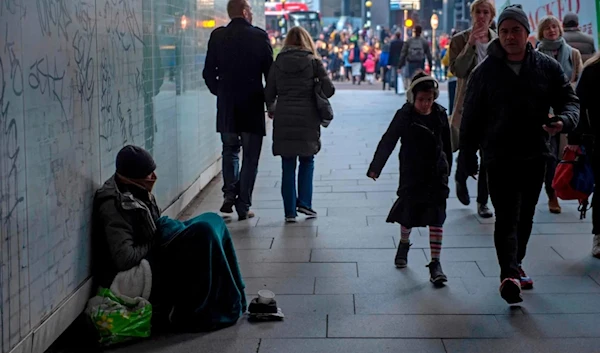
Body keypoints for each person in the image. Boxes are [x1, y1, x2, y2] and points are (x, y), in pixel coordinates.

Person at [457, 5, 579, 304]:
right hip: (498, 156)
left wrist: (563, 120)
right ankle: (508, 274)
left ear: (527, 33)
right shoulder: (484, 72)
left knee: (525, 217)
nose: (510, 36)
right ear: (499, 34)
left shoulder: (546, 67)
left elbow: (569, 100)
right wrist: (465, 161)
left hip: (535, 154)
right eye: (505, 31)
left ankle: (516, 263)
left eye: (516, 31)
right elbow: (470, 118)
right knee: (507, 216)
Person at [92, 145, 246, 332]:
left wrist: (162, 234)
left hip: (150, 254)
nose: (154, 177)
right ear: (132, 176)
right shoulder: (113, 205)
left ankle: (229, 298)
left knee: (212, 222)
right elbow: (124, 257)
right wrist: (157, 239)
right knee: (202, 234)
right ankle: (196, 312)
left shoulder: (137, 190)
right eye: (149, 174)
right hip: (131, 275)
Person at [367, 73, 452, 285]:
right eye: (421, 99)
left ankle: (435, 263)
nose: (425, 104)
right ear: (412, 98)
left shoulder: (440, 114)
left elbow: (447, 143)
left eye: (429, 100)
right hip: (412, 172)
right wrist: (376, 167)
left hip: (436, 172)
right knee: (408, 213)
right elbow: (389, 140)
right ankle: (404, 243)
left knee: (437, 216)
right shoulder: (405, 115)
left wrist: (448, 166)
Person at [203, 0, 273, 220]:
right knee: (250, 157)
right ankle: (243, 205)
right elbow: (270, 76)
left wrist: (221, 92)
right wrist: (269, 101)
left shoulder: (218, 36)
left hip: (227, 107)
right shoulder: (260, 36)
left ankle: (228, 195)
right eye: (250, 10)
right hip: (252, 105)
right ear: (244, 12)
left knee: (230, 150)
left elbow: (207, 73)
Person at [265, 27, 335, 222]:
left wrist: (272, 107)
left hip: (284, 117)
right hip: (308, 118)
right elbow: (329, 90)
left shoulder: (278, 62)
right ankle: (305, 203)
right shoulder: (313, 62)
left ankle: (289, 212)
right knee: (307, 160)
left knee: (287, 164)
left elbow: (269, 92)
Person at [449, 0, 497, 219]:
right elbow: (457, 70)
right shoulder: (459, 40)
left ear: (492, 16)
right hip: (468, 103)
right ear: (472, 14)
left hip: (493, 105)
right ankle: (460, 176)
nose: (481, 16)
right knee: (467, 150)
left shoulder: (499, 40)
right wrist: (470, 44)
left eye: (486, 12)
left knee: (487, 155)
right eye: (478, 11)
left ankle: (482, 202)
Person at [536, 15, 584, 214]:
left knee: (564, 155)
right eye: (547, 28)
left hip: (565, 114)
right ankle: (552, 194)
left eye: (554, 26)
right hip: (544, 114)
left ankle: (568, 188)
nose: (552, 30)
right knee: (550, 158)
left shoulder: (572, 54)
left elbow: (580, 86)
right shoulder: (536, 54)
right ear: (541, 32)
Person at [567, 52, 600, 257]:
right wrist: (575, 139)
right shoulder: (592, 70)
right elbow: (578, 105)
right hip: (596, 139)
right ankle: (599, 235)